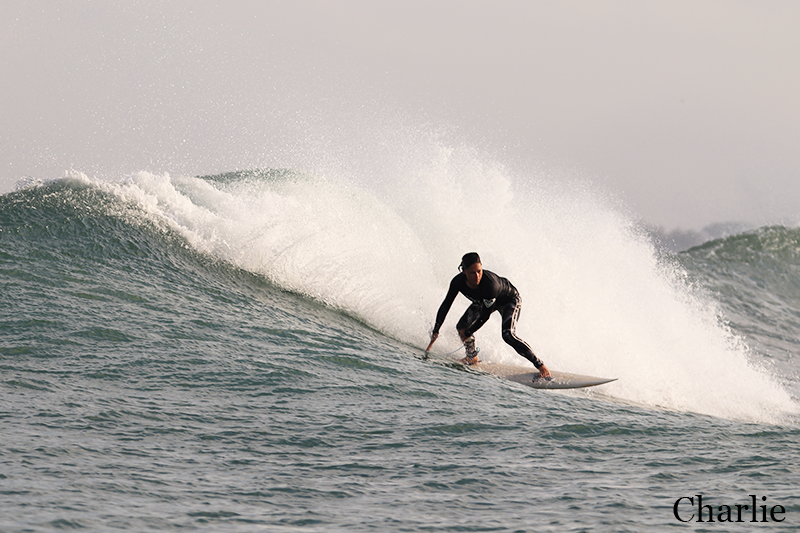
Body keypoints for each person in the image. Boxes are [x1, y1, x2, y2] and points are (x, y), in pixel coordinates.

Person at [425, 252, 551, 379]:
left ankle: (540, 365)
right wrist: (436, 330)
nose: (477, 276)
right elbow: (446, 305)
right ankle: (471, 357)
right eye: (472, 273)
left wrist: (469, 332)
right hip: (484, 301)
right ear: (464, 272)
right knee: (462, 328)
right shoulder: (457, 282)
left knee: (507, 335)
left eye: (479, 271)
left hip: (509, 300)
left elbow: (485, 316)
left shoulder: (490, 285)